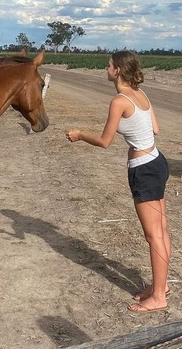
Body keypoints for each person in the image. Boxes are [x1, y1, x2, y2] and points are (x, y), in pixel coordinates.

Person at [65, 50, 172, 313]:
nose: (106, 68)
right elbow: (156, 130)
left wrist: (79, 135)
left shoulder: (119, 101)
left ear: (118, 71)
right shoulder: (142, 95)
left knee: (153, 235)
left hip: (143, 169)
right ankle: (161, 286)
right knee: (161, 229)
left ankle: (159, 297)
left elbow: (104, 141)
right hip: (157, 162)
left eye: (109, 65)